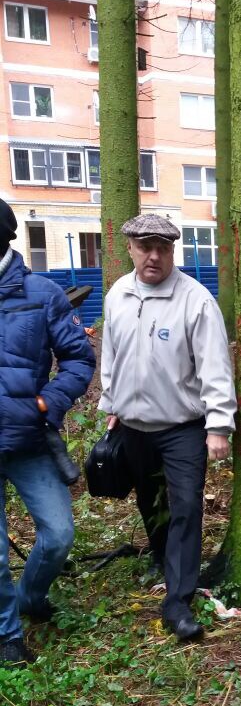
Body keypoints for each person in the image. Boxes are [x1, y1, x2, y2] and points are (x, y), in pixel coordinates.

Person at [99, 214, 236, 642]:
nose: (153, 256)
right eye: (145, 247)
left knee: (186, 507)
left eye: (162, 247)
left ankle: (178, 600)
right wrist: (111, 403)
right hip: (134, 425)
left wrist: (219, 426)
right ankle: (163, 559)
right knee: (149, 499)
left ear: (173, 250)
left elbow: (216, 366)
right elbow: (112, 356)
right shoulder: (118, 294)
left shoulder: (195, 300)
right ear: (131, 249)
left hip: (182, 426)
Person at [0, 198, 95, 667]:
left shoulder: (42, 293)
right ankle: (8, 634)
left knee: (58, 535)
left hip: (29, 440)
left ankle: (31, 598)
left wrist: (49, 402)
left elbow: (79, 359)